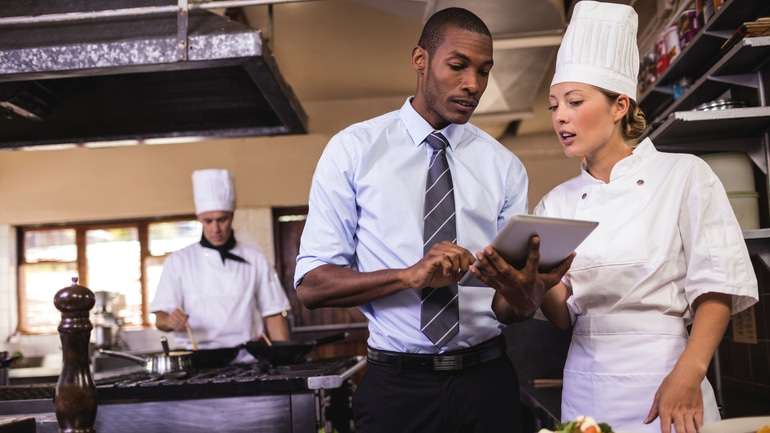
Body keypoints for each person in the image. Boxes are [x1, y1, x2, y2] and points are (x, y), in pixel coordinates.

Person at [294, 7, 572, 433]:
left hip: (487, 381)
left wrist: (526, 295)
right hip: (396, 389)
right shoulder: (353, 150)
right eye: (458, 66)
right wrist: (411, 275)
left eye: (484, 71)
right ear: (419, 59)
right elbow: (312, 285)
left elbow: (505, 307)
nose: (473, 85)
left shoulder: (504, 166)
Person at [516, 2, 759, 433]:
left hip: (668, 373)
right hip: (586, 384)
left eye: (574, 102)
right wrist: (536, 285)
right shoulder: (557, 202)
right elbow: (562, 315)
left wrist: (689, 373)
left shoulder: (683, 176)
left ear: (619, 106)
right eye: (554, 106)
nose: (560, 117)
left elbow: (718, 284)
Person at [151, 169, 291, 358]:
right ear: (199, 219)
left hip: (247, 357)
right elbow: (160, 319)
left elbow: (273, 313)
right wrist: (169, 321)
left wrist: (284, 359)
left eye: (222, 220)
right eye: (208, 221)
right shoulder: (178, 261)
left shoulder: (255, 258)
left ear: (232, 216)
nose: (215, 229)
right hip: (197, 357)